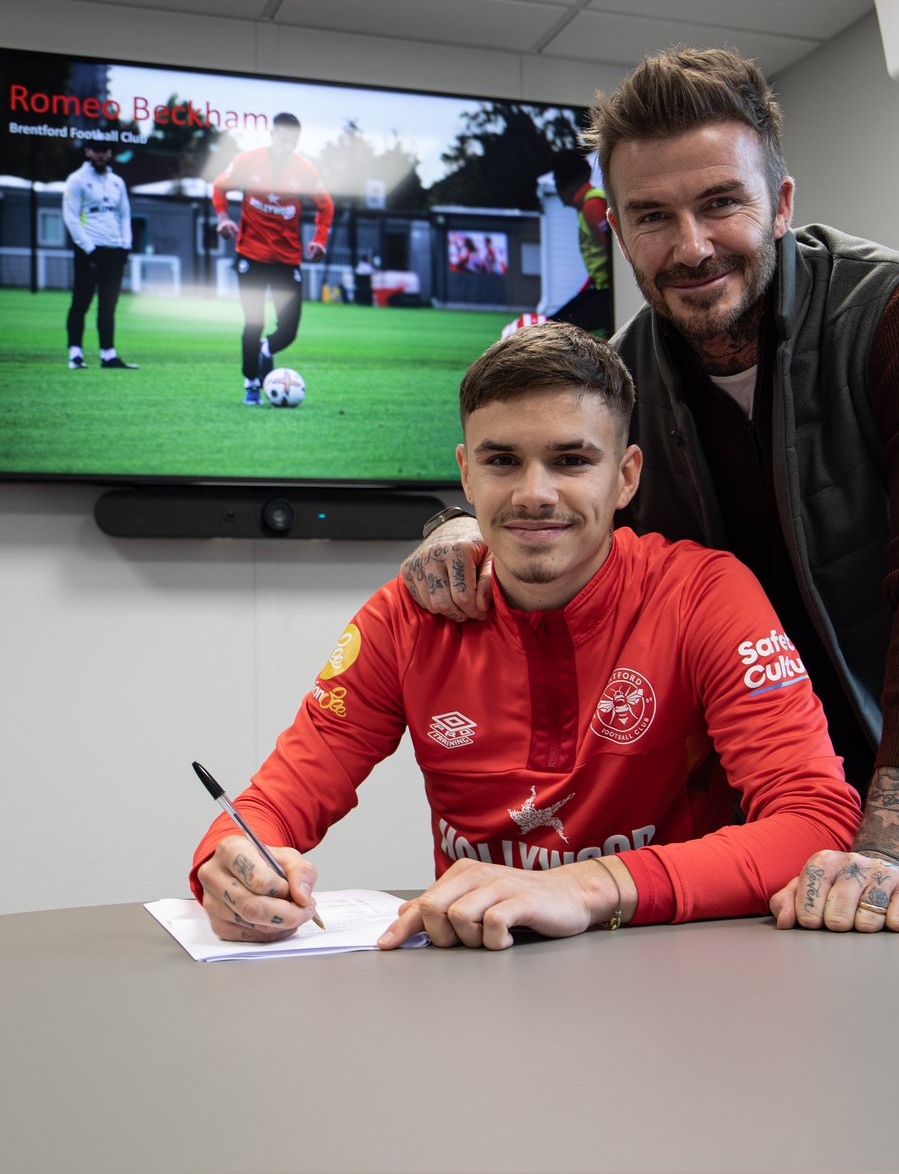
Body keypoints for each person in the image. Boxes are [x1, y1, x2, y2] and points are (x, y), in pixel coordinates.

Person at [402, 47, 899, 933]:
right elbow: (570, 523)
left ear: (779, 204)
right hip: (761, 781)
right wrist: (457, 528)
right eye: (653, 217)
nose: (692, 246)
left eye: (720, 203)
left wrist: (891, 848)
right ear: (620, 236)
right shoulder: (620, 377)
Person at [192, 323, 861, 949]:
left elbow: (813, 823)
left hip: (677, 981)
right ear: (464, 472)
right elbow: (270, 805)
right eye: (503, 461)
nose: (533, 493)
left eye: (570, 460)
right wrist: (229, 863)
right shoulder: (407, 615)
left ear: (625, 476)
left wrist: (585, 888)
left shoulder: (703, 596)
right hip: (483, 984)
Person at [212, 112, 334, 405]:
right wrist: (223, 218)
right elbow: (219, 186)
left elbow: (326, 206)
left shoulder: (305, 170)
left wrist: (319, 240)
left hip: (287, 259)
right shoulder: (247, 161)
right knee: (253, 322)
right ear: (271, 134)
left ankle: (266, 349)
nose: (286, 144)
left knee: (289, 329)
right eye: (282, 138)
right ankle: (252, 383)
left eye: (292, 140)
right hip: (250, 257)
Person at [62, 142, 138, 370]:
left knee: (108, 306)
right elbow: (71, 218)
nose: (101, 155)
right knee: (81, 302)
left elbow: (125, 215)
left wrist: (126, 244)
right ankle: (75, 354)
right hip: (90, 251)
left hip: (115, 250)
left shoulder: (117, 182)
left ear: (110, 154)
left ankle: (108, 355)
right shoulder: (76, 180)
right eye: (97, 151)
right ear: (88, 153)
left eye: (105, 151)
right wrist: (89, 248)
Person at [548, 150, 613, 336]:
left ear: (565, 185)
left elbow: (612, 255)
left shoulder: (592, 206)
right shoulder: (588, 205)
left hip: (608, 292)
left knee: (556, 327)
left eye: (558, 183)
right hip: (603, 288)